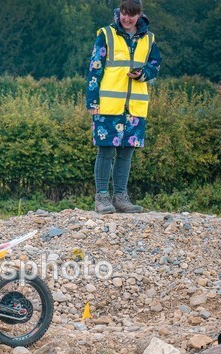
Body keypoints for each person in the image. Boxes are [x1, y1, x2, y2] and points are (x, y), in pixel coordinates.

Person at [86, 0, 162, 214]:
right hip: (108, 104)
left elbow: (155, 64)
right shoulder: (106, 34)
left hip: (135, 106)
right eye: (123, 14)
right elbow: (95, 67)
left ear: (139, 15)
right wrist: (92, 100)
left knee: (126, 152)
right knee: (106, 151)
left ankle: (121, 197)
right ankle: (102, 197)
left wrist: (143, 74)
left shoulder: (149, 38)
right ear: (119, 13)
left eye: (131, 15)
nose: (126, 19)